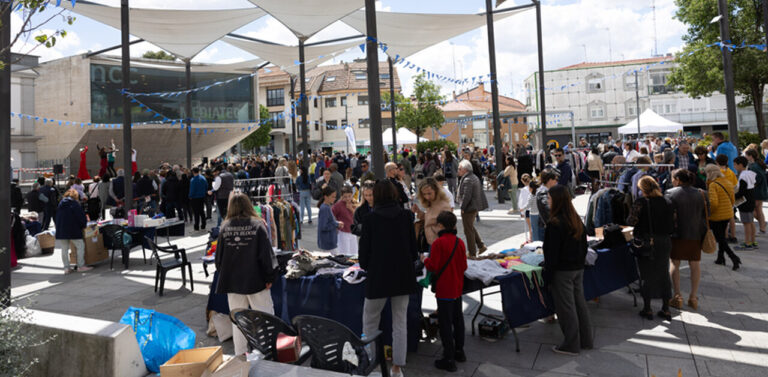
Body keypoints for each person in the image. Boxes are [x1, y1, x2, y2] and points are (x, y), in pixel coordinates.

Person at [359, 180, 418, 377]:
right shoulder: (406, 216)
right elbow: (413, 251)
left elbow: (364, 256)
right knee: (400, 323)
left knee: (370, 323)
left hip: (378, 277)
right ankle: (397, 368)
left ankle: (373, 365)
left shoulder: (369, 219)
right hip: (403, 276)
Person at [215, 192, 277, 356]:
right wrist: (270, 277)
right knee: (265, 318)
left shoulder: (225, 227)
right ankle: (267, 352)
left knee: (238, 320)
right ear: (248, 205)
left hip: (233, 282)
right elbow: (266, 255)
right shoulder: (257, 225)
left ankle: (240, 355)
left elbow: (218, 259)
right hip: (256, 280)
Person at [543, 184, 593, 355]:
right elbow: (584, 245)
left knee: (566, 308)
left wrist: (547, 276)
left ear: (556, 200)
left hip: (563, 271)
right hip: (577, 268)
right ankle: (586, 340)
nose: (547, 201)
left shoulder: (555, 223)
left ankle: (571, 344)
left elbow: (551, 254)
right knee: (579, 304)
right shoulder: (575, 218)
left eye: (549, 198)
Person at [423, 211, 467, 371]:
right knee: (458, 319)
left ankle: (448, 358)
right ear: (454, 225)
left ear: (440, 226)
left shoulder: (438, 243)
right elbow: (464, 266)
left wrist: (424, 259)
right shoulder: (459, 242)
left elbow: (433, 266)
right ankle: (459, 351)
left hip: (444, 289)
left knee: (446, 323)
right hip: (457, 287)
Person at [629, 176, 674, 321]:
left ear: (642, 189)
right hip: (665, 241)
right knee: (663, 273)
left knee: (646, 274)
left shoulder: (641, 202)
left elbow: (631, 221)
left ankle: (647, 308)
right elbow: (674, 223)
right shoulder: (667, 202)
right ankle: (666, 308)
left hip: (647, 241)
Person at [665, 169, 707, 311]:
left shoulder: (671, 193)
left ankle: (677, 296)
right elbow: (708, 213)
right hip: (696, 233)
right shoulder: (702, 193)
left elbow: (668, 214)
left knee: (674, 263)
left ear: (677, 179)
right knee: (695, 264)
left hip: (677, 233)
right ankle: (693, 297)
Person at [705, 164, 740, 272]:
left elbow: (714, 203)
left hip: (717, 216)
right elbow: (733, 199)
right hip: (727, 214)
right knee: (722, 237)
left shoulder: (713, 185)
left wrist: (709, 213)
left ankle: (734, 257)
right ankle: (720, 258)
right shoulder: (727, 182)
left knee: (720, 238)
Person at [457, 159, 488, 257]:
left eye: (459, 169)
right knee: (470, 227)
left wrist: (462, 207)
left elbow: (467, 196)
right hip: (473, 207)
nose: (458, 170)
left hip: (469, 208)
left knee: (468, 231)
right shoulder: (472, 177)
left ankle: (472, 252)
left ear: (465, 169)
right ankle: (481, 246)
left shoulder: (467, 179)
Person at [55, 189, 91, 274]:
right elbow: (81, 217)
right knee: (80, 246)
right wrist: (83, 225)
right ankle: (80, 266)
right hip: (73, 229)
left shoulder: (60, 204)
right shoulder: (75, 204)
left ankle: (66, 268)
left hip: (62, 229)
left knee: (64, 249)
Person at [412, 178, 453, 248]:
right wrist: (419, 212)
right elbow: (430, 218)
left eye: (429, 193)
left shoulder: (443, 206)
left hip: (439, 244)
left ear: (436, 191)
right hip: (430, 242)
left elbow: (448, 228)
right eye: (424, 194)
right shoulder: (431, 203)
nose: (427, 197)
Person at [734, 156, 757, 250]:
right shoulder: (750, 174)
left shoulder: (743, 175)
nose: (734, 166)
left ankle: (747, 242)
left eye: (735, 164)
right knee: (751, 222)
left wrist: (733, 196)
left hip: (745, 203)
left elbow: (741, 192)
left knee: (746, 223)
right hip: (751, 200)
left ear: (740, 165)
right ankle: (753, 241)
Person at [744, 148, 767, 234]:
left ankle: (762, 225)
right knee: (759, 210)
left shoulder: (753, 166)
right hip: (761, 190)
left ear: (750, 156)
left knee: (752, 210)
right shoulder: (757, 164)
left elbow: (756, 179)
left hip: (756, 191)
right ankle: (762, 227)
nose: (745, 157)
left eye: (746, 155)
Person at [535, 169, 560, 242]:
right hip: (546, 228)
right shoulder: (543, 193)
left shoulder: (545, 191)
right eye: (555, 179)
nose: (556, 181)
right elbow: (548, 210)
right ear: (549, 180)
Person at [332, 186, 357, 255]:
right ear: (342, 196)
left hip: (353, 232)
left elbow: (358, 216)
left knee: (354, 254)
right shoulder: (338, 205)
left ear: (352, 194)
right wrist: (336, 225)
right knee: (344, 254)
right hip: (343, 233)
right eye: (345, 196)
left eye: (349, 196)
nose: (347, 198)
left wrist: (351, 209)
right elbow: (331, 216)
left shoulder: (354, 202)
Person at [317, 186, 343, 254]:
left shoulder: (327, 207)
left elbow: (328, 222)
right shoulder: (325, 208)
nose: (334, 199)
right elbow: (323, 226)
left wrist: (336, 223)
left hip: (329, 243)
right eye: (332, 197)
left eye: (335, 197)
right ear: (326, 197)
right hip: (328, 244)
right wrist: (337, 224)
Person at [189, 167, 208, 231]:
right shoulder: (203, 178)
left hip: (195, 198)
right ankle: (203, 224)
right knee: (202, 211)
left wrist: (190, 196)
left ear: (193, 172)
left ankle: (196, 226)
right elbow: (206, 186)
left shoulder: (193, 180)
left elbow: (192, 190)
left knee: (196, 212)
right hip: (202, 197)